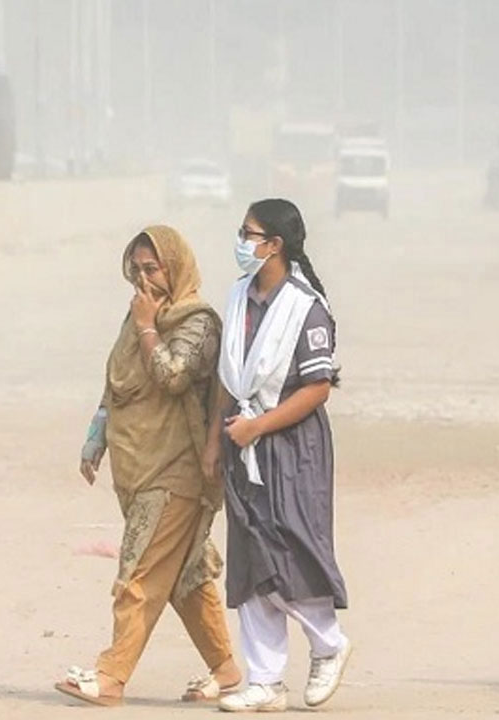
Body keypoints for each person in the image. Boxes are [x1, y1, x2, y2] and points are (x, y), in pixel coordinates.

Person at [55, 226, 242, 707]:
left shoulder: (198, 322)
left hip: (176, 472)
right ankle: (225, 669)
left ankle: (111, 676)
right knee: (185, 577)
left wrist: (146, 328)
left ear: (174, 268)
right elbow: (117, 382)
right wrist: (95, 438)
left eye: (152, 268)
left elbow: (172, 375)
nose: (143, 279)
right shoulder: (139, 315)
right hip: (137, 465)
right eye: (136, 269)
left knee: (138, 573)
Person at [208, 199, 353, 712]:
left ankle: (328, 643)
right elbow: (229, 378)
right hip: (241, 440)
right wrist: (215, 441)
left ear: (274, 245)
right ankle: (265, 679)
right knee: (250, 555)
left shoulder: (306, 307)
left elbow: (317, 388)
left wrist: (258, 427)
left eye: (248, 234)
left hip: (290, 446)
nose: (240, 241)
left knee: (292, 548)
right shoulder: (239, 296)